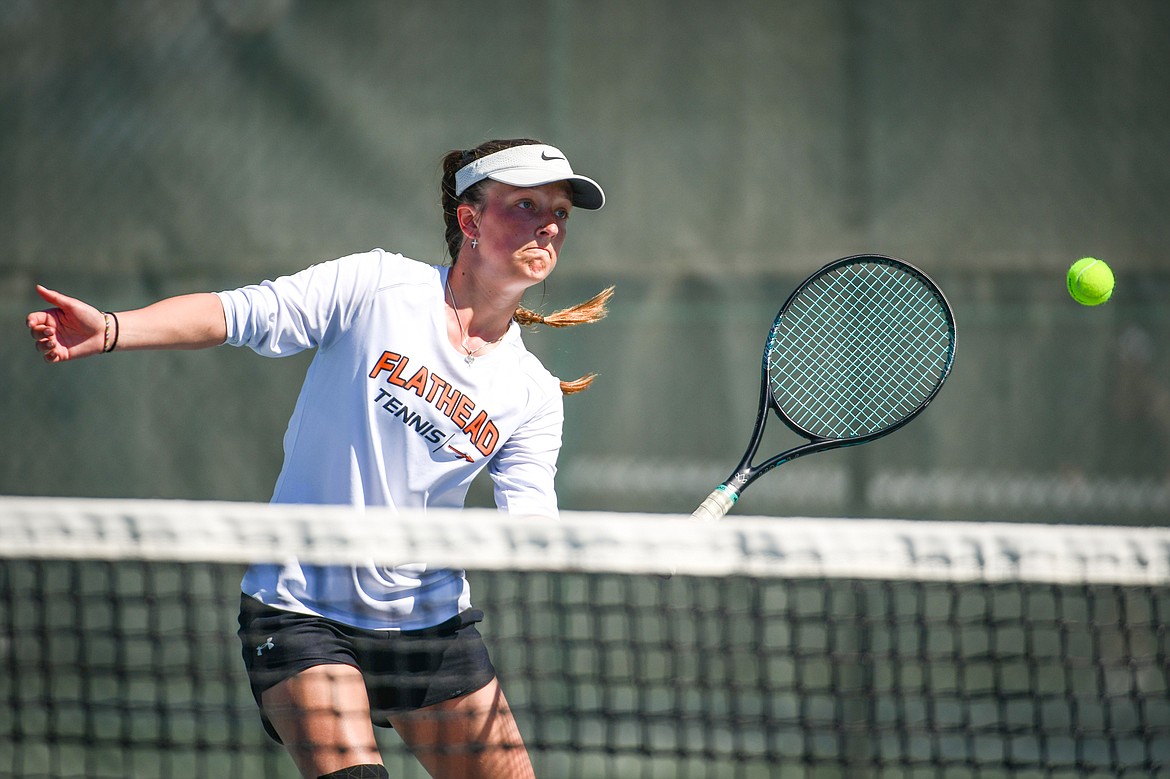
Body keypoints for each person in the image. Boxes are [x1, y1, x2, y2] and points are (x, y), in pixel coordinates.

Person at [26, 138, 612, 779]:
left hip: (428, 625)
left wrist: (607, 547)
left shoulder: (531, 392)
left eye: (559, 211)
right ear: (470, 221)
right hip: (302, 611)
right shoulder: (377, 285)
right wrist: (112, 328)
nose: (549, 224)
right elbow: (237, 313)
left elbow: (531, 522)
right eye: (526, 204)